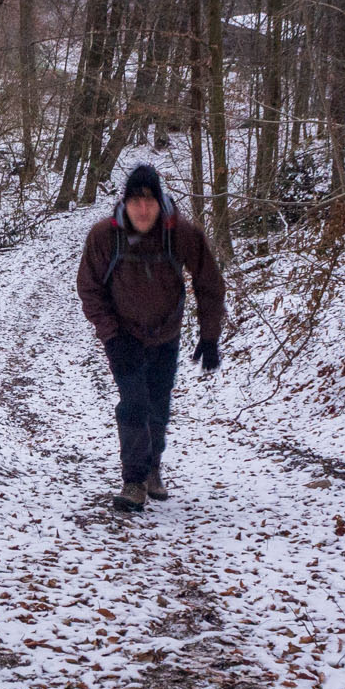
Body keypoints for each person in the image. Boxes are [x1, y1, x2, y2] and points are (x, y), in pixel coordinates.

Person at [75, 162, 225, 511]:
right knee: (133, 402)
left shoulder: (181, 234)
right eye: (136, 201)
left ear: (160, 203)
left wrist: (210, 336)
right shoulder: (104, 236)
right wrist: (111, 336)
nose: (143, 209)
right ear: (124, 203)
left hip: (165, 334)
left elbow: (209, 283)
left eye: (150, 202)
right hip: (123, 336)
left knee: (157, 405)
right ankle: (134, 481)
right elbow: (89, 288)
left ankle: (153, 467)